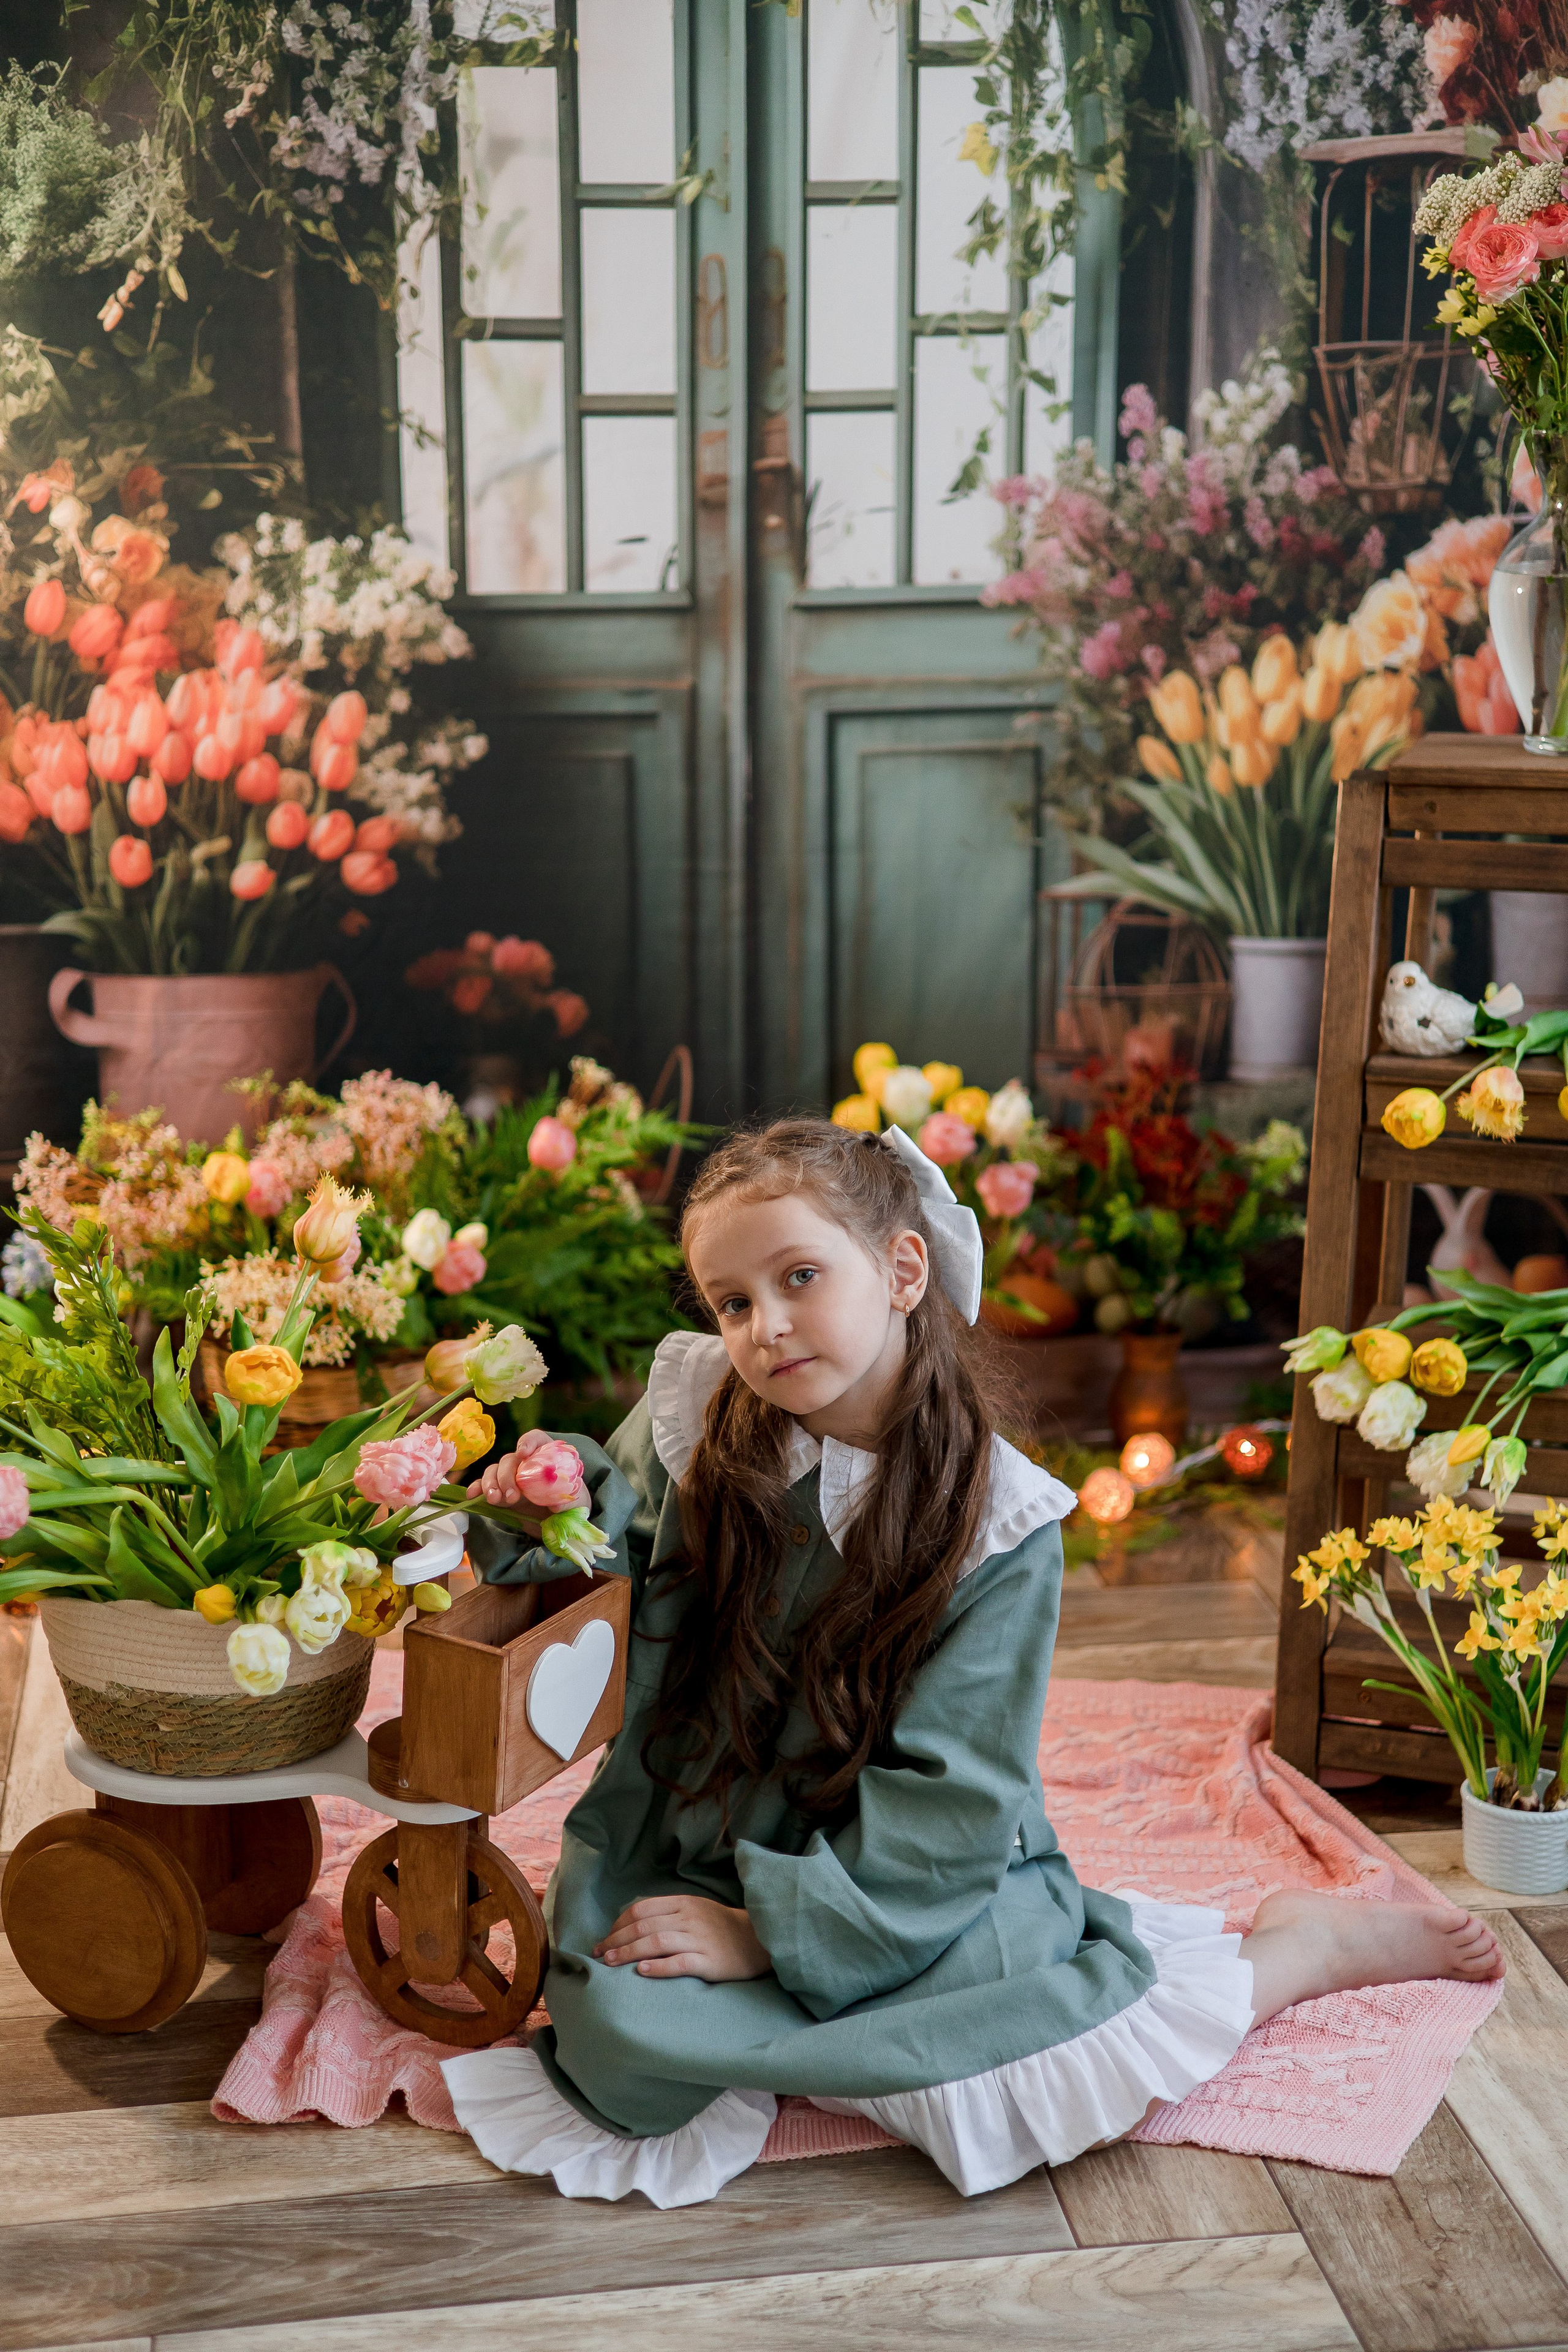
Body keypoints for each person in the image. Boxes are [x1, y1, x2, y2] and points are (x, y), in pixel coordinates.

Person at [443, 1118, 1503, 2208]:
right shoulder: (702, 1410)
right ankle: (796, 2018)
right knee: (616, 2025)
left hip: (902, 1878)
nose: (766, 1327)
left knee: (1033, 2072)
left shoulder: (999, 1522)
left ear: (903, 1270)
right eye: (733, 1300)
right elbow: (613, 1541)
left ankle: (1289, 1958)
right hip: (704, 1825)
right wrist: (555, 1487)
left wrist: (769, 1936)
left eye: (800, 1276)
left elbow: (953, 1803)